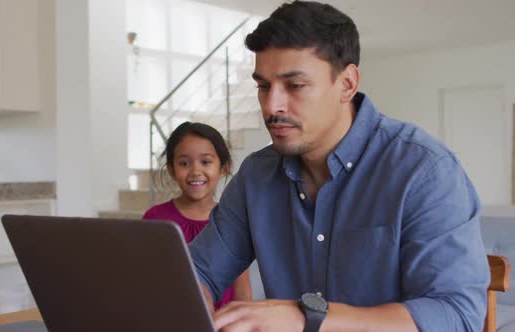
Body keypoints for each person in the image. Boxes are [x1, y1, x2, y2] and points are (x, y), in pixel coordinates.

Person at [188, 1, 490, 331]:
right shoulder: (255, 176)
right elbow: (197, 272)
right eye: (263, 86)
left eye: (295, 85)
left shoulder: (425, 171)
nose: (271, 105)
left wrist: (309, 319)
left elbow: (456, 317)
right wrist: (188, 299)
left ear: (347, 84)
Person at [142, 121, 252, 310]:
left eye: (206, 162)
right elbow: (146, 279)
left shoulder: (232, 220)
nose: (195, 171)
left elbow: (242, 288)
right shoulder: (155, 219)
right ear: (171, 169)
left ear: (223, 168)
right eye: (184, 163)